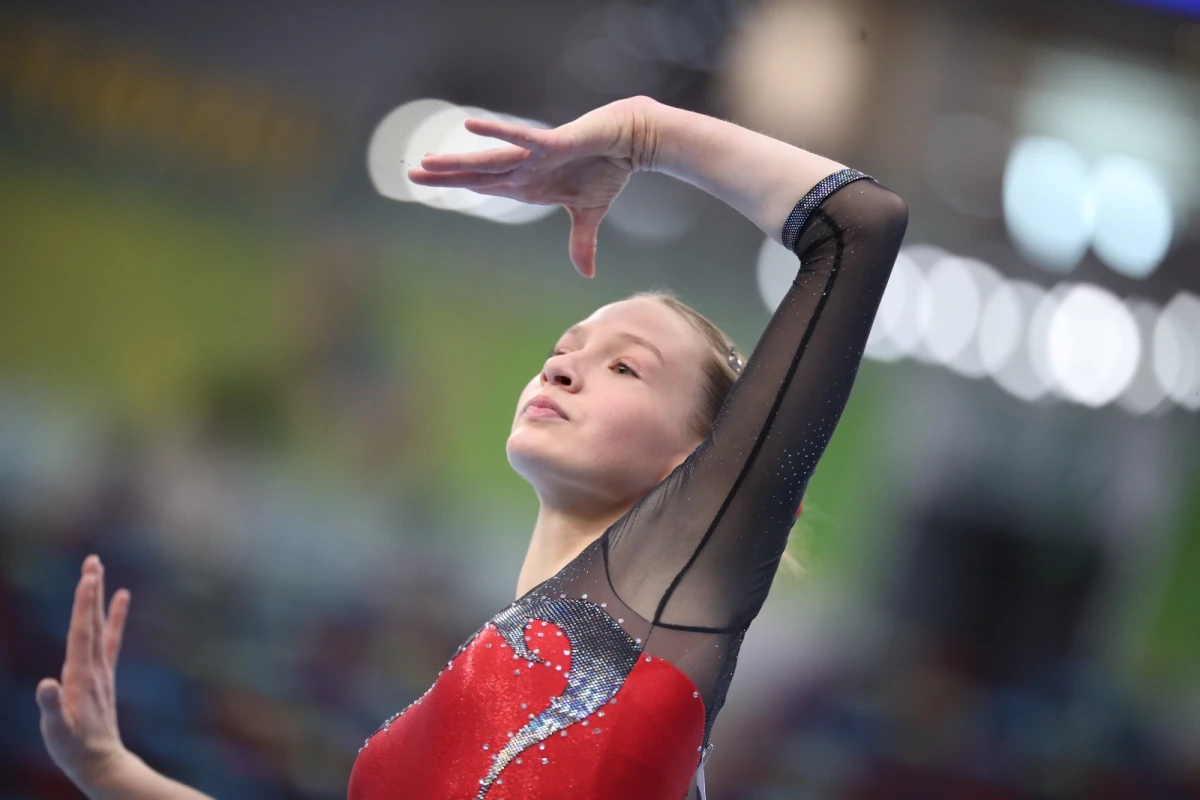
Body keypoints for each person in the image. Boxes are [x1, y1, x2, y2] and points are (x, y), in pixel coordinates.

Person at [36, 95, 907, 799]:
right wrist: (115, 775)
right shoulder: (455, 693)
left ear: (696, 464)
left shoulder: (663, 596)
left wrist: (644, 132)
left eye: (624, 368)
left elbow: (858, 226)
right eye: (564, 349)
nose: (562, 369)